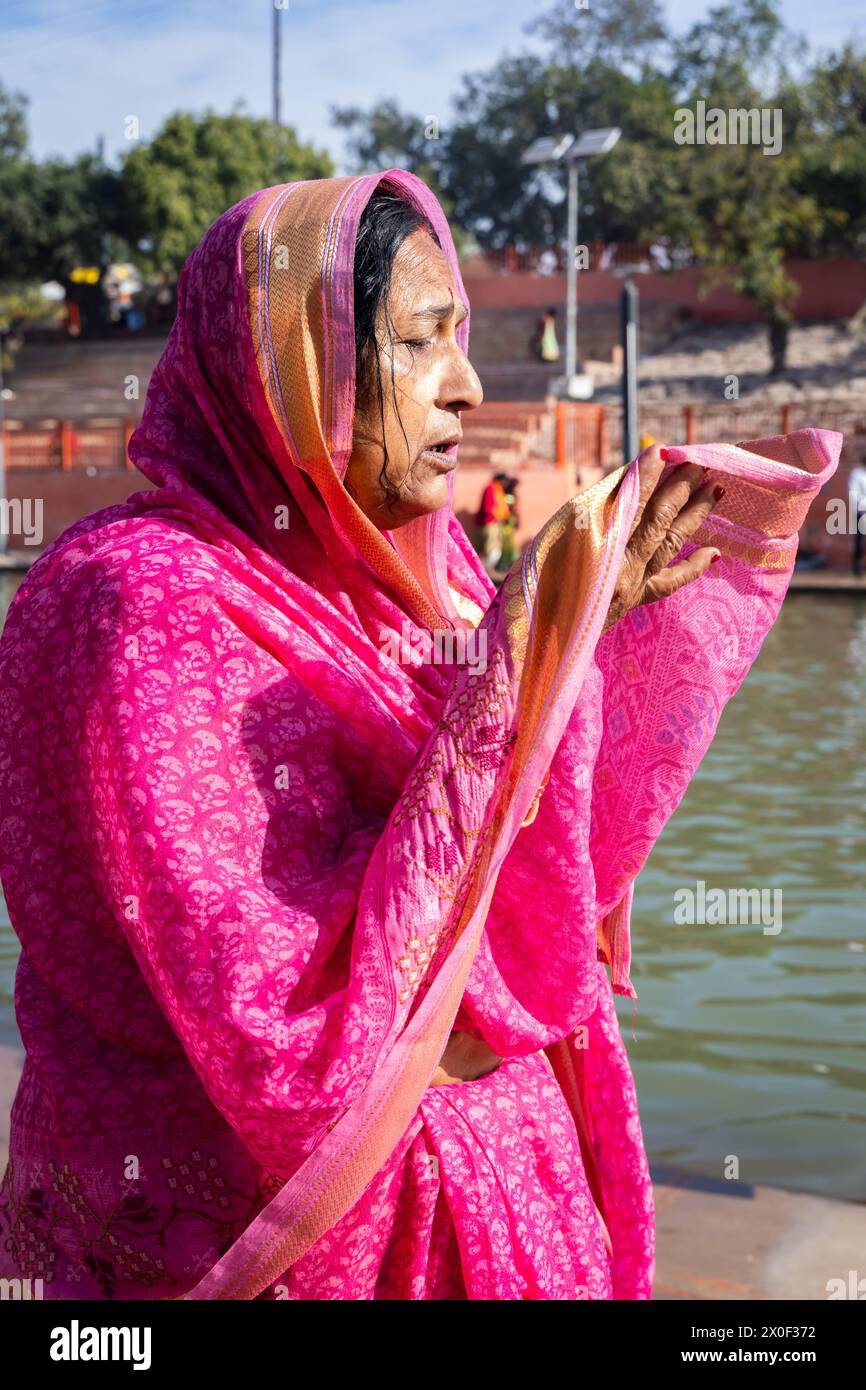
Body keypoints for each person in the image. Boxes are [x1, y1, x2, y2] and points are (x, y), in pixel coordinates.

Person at [0, 170, 840, 1301]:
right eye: (417, 342)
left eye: (464, 338)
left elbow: (534, 893)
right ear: (294, 375)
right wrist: (517, 662)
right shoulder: (138, 604)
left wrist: (576, 638)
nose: (467, 386)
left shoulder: (414, 573)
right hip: (272, 1252)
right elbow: (283, 1041)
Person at [475, 470, 511, 574]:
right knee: (491, 551)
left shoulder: (497, 489)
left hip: (495, 523)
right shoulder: (491, 488)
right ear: (501, 480)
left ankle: (485, 573)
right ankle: (482, 573)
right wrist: (497, 517)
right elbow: (488, 508)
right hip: (489, 523)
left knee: (493, 550)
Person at [847, 459, 866, 577]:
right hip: (861, 510)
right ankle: (857, 567)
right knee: (859, 540)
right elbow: (854, 493)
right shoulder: (857, 474)